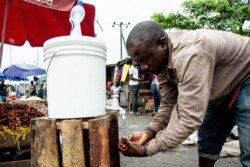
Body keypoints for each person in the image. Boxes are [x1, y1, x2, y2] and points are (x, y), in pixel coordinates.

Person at [118, 20, 250, 167]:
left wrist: (147, 150)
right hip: (224, 86)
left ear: (162, 44)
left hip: (246, 75)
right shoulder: (159, 63)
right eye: (138, 63)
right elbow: (169, 103)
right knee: (207, 139)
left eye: (145, 60)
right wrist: (149, 133)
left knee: (248, 147)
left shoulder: (192, 54)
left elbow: (188, 118)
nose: (144, 67)